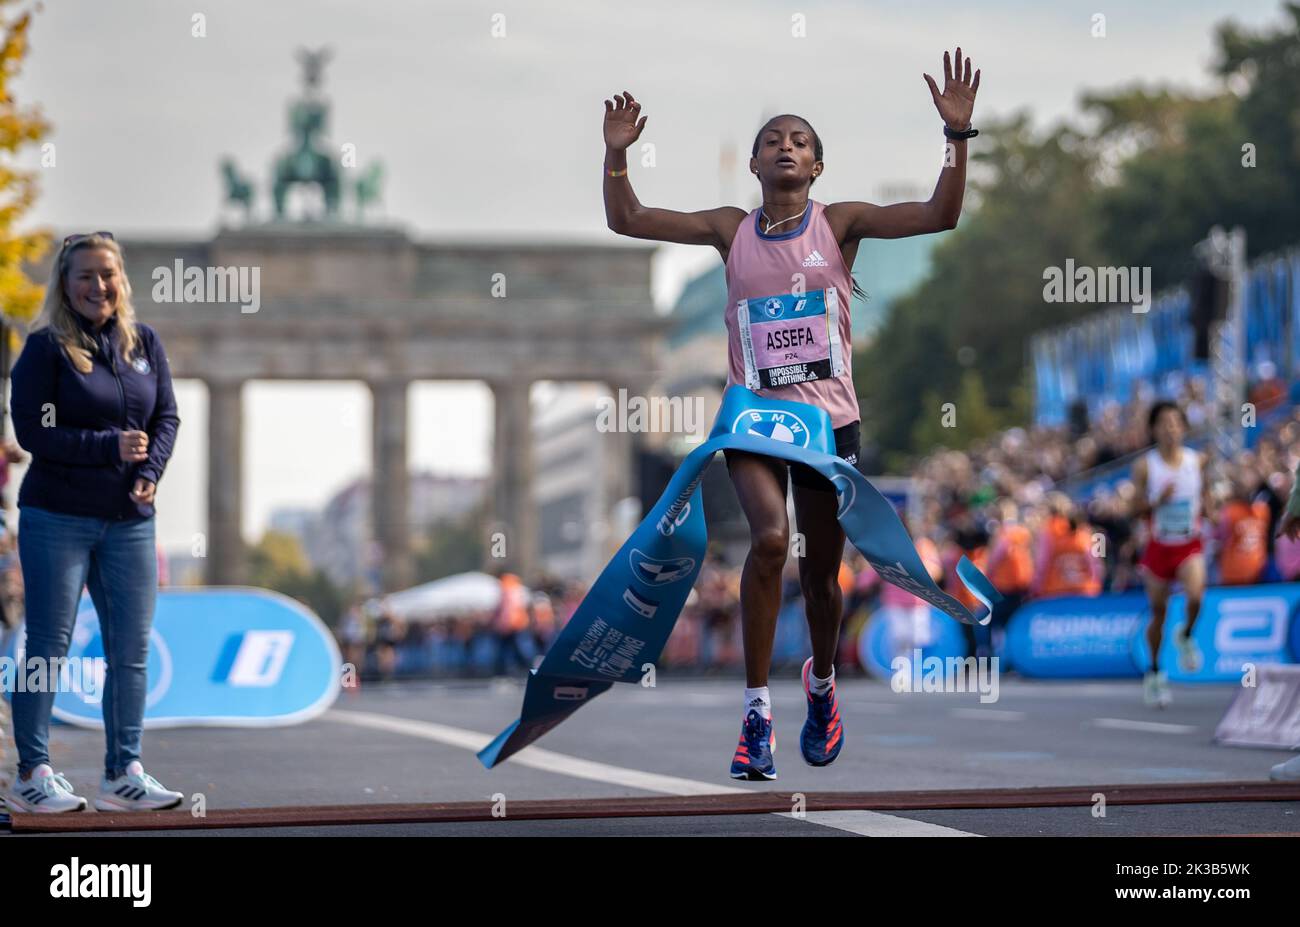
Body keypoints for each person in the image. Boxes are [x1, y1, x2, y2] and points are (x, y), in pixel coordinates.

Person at [603, 46, 981, 780]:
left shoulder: (839, 225)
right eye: (773, 139)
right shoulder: (727, 229)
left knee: (821, 579)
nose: (786, 147)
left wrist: (956, 138)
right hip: (752, 416)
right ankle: (754, 712)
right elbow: (630, 219)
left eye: (800, 141)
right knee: (770, 540)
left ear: (816, 168)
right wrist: (617, 157)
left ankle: (822, 685)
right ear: (754, 165)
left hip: (827, 424)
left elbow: (942, 212)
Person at [4, 231, 184, 813]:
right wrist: (110, 447)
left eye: (106, 274)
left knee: (130, 651)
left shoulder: (145, 343)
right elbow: (33, 433)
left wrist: (150, 469)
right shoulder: (44, 349)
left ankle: (122, 772)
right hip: (58, 515)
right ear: (65, 284)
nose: (97, 285)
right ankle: (31, 772)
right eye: (84, 275)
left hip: (130, 519)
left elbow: (167, 417)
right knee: (47, 646)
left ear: (120, 280)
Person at [1129, 401, 1213, 709]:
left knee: (1195, 597)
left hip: (1189, 544)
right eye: (1164, 423)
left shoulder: (1197, 461)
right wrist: (1155, 501)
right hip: (1159, 548)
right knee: (1159, 613)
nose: (1171, 429)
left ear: (1183, 428)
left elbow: (1203, 494)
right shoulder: (1145, 466)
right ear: (1154, 429)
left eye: (1176, 423)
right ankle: (1154, 672)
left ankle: (1187, 635)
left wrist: (1209, 507)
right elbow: (1133, 510)